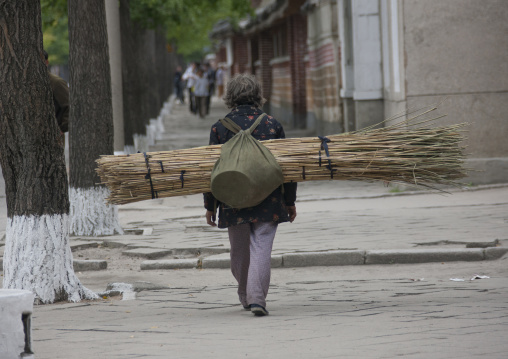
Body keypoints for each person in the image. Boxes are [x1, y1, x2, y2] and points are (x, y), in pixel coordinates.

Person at [204, 74, 297, 317]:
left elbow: (210, 169)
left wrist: (210, 205)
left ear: (230, 97)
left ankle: (246, 295)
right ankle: (257, 298)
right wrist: (290, 201)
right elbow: (286, 167)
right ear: (258, 96)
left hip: (232, 200)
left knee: (239, 251)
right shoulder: (272, 124)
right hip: (269, 198)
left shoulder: (219, 127)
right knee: (261, 247)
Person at [43, 50, 69, 134]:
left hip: (53, 134)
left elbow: (69, 106)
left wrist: (62, 128)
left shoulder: (56, 83)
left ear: (46, 62)